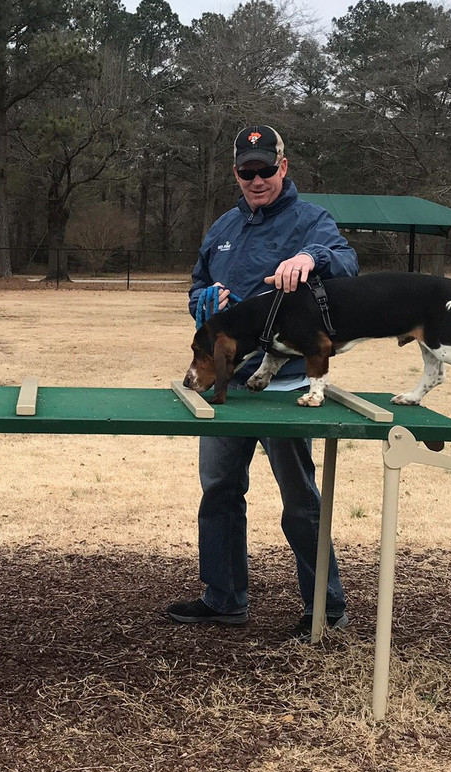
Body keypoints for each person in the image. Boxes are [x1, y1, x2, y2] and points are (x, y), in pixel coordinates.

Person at [166, 124, 359, 641]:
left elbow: (345, 263)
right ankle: (224, 597)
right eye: (246, 171)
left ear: (283, 166)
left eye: (265, 169)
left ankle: (326, 608)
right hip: (224, 389)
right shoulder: (223, 226)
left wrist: (309, 258)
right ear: (236, 172)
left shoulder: (311, 220)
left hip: (285, 387)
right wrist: (203, 303)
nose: (256, 179)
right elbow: (198, 285)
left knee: (300, 500)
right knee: (220, 490)